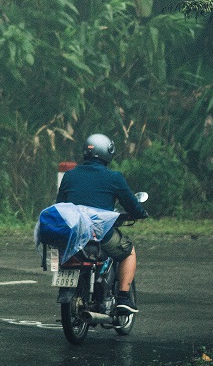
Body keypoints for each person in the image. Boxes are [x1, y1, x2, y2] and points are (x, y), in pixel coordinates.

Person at [55, 133, 148, 314]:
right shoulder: (114, 177)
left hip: (72, 235)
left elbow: (60, 205)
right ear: (108, 152)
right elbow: (131, 205)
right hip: (99, 234)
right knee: (129, 252)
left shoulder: (69, 176)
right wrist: (140, 213)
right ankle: (123, 298)